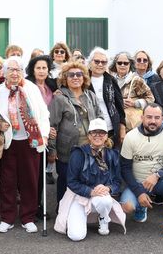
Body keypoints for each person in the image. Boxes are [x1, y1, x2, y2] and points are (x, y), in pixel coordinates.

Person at [0, 58, 50, 234]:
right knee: (7, 181)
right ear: (4, 73)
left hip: (30, 139)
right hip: (9, 142)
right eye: (10, 69)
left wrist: (45, 134)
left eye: (18, 69)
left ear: (23, 71)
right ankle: (7, 218)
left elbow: (43, 114)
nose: (14, 73)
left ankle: (28, 217)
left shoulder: (31, 88)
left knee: (30, 180)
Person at [120, 104, 163, 237]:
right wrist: (139, 192)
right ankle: (140, 206)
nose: (153, 121)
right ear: (142, 117)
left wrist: (157, 175)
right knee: (127, 207)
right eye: (149, 117)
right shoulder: (130, 136)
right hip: (138, 183)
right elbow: (125, 169)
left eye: (157, 117)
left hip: (161, 182)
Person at [54, 119, 126, 241]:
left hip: (100, 196)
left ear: (106, 136)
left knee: (105, 201)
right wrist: (90, 192)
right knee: (76, 236)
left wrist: (108, 188)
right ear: (89, 135)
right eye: (94, 132)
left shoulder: (112, 155)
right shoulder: (78, 153)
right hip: (78, 196)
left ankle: (103, 217)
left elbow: (117, 182)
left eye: (101, 132)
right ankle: (80, 217)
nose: (98, 135)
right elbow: (71, 181)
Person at [48, 61, 103, 210]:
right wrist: (52, 151)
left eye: (79, 74)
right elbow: (52, 126)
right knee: (66, 181)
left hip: (89, 148)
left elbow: (100, 117)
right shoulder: (59, 99)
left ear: (84, 77)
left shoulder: (91, 96)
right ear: (65, 79)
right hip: (67, 149)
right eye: (71, 75)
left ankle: (85, 212)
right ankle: (62, 211)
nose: (75, 77)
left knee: (87, 180)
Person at [26, 55, 58, 186]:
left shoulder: (52, 85)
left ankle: (38, 203)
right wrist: (44, 128)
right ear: (32, 70)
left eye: (44, 68)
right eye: (38, 68)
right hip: (33, 133)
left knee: (41, 172)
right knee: (31, 172)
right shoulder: (27, 85)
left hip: (50, 132)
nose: (41, 71)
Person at [87, 48, 126, 148]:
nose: (100, 64)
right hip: (91, 129)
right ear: (90, 62)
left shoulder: (111, 80)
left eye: (104, 62)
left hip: (111, 128)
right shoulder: (83, 79)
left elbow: (119, 105)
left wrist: (122, 128)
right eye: (97, 61)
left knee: (111, 159)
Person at [111, 51, 154, 130]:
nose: (122, 65)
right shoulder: (110, 80)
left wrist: (135, 103)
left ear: (130, 64)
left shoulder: (136, 80)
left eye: (126, 63)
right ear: (115, 64)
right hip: (113, 123)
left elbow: (151, 99)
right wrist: (118, 103)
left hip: (130, 125)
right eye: (119, 63)